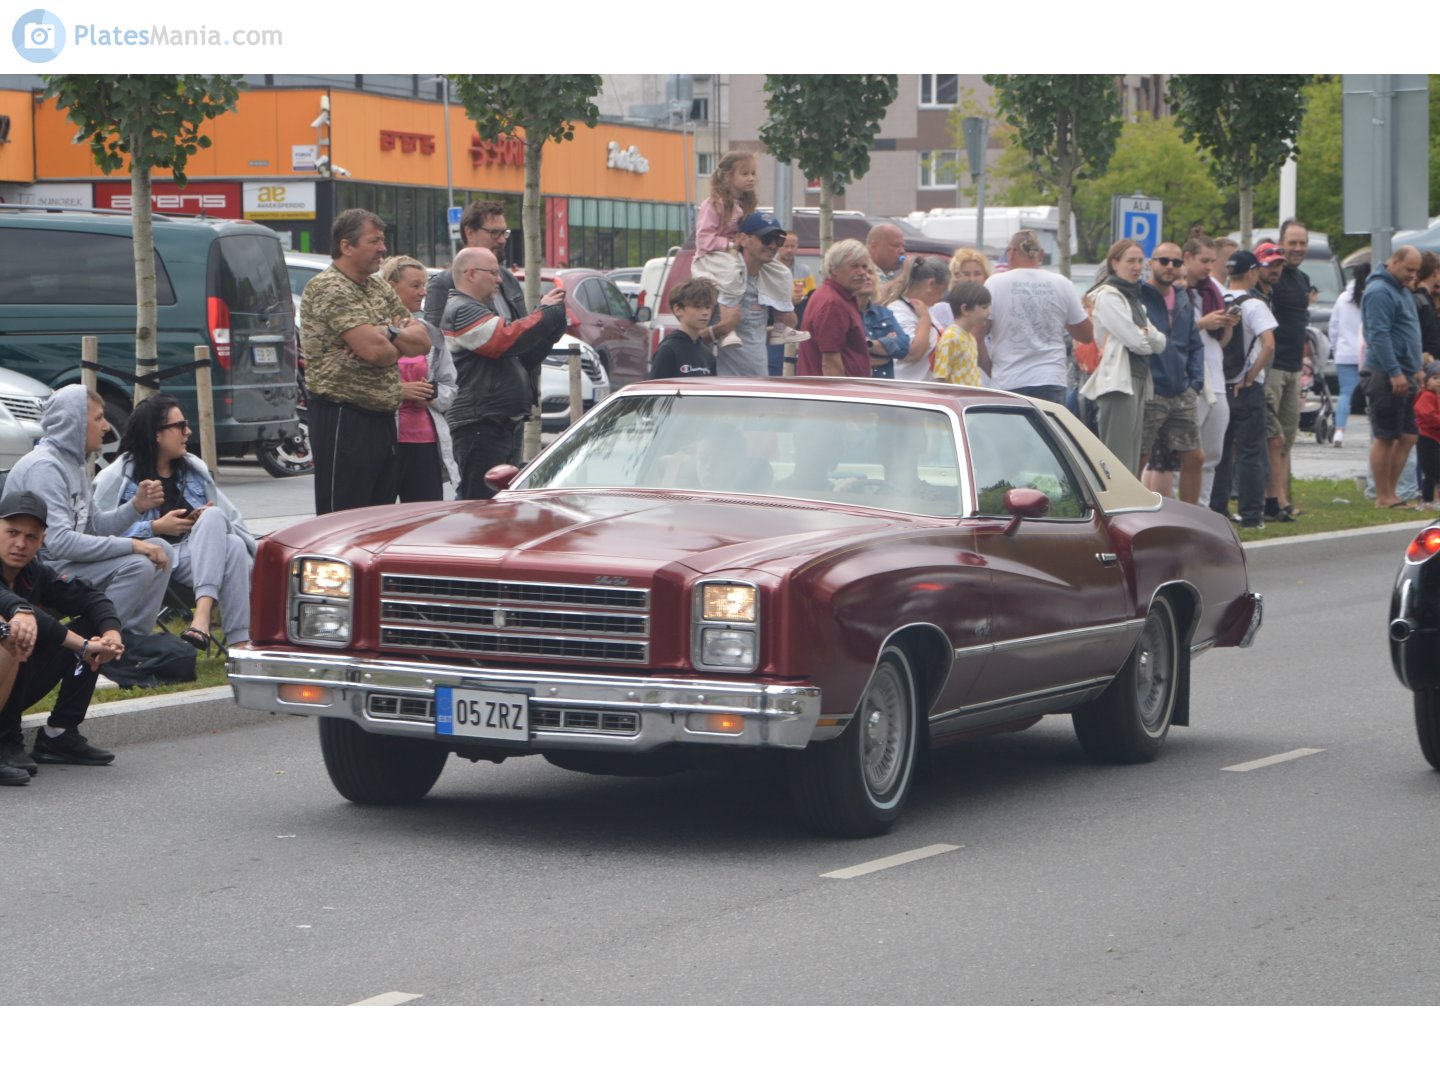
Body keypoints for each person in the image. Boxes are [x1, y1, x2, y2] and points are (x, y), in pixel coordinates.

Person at [5, 385, 172, 637]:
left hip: (69, 562)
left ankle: (133, 642)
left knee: (162, 549)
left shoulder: (74, 463)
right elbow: (60, 543)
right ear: (75, 423)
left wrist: (136, 506)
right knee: (138, 563)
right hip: (42, 571)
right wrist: (133, 545)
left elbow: (94, 527)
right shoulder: (45, 468)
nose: (106, 426)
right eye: (98, 418)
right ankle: (97, 642)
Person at [94, 395, 254, 653]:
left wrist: (200, 520)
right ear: (157, 434)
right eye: (180, 426)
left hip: (198, 555)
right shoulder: (118, 476)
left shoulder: (193, 469)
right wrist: (155, 528)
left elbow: (230, 518)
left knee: (227, 535)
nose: (187, 432)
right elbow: (99, 531)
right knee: (229, 542)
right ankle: (237, 642)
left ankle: (205, 624)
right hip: (154, 557)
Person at [301, 209, 432, 514]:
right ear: (346, 246)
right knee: (343, 521)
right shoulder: (330, 288)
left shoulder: (378, 287)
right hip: (343, 418)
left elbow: (423, 343)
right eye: (374, 241)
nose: (383, 249)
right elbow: (378, 353)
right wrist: (392, 340)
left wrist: (386, 330)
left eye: (382, 241)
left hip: (383, 418)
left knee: (376, 519)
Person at [0, 490, 127, 785]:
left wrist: (109, 636)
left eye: (31, 537)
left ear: (42, 540)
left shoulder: (34, 573)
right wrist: (81, 646)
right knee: (18, 631)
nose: (20, 543)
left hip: (16, 685)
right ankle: (6, 740)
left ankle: (60, 734)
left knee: (87, 626)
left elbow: (92, 597)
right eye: (12, 532)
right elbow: (17, 606)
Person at [442, 246, 569, 499]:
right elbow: (503, 339)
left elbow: (522, 357)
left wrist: (548, 333)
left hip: (498, 424)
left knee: (498, 505)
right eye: (493, 273)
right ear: (470, 273)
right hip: (479, 425)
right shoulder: (462, 309)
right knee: (479, 506)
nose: (499, 279)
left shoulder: (478, 309)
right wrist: (544, 315)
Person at [691, 153, 797, 349]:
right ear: (728, 177)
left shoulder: (745, 205)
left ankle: (781, 324)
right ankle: (728, 329)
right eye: (745, 173)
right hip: (711, 257)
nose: (751, 178)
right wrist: (732, 244)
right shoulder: (713, 204)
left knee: (779, 271)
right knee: (734, 273)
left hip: (733, 254)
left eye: (753, 173)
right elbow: (703, 239)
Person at [1080, 239, 1166, 477]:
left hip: (1135, 377)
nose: (1137, 266)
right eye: (1130, 260)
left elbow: (1161, 342)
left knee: (1131, 456)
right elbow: (1136, 341)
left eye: (1140, 261)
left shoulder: (1134, 299)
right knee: (1117, 459)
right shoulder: (1108, 295)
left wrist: (1147, 337)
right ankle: (1112, 513)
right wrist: (1147, 337)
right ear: (1114, 263)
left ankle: (1124, 512)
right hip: (1117, 382)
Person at [381, 255, 459, 502]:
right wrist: (399, 391)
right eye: (415, 286)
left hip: (426, 443)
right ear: (392, 288)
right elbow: (359, 385)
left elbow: (450, 387)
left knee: (424, 519)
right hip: (384, 441)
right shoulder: (372, 331)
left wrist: (431, 394)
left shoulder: (431, 334)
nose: (423, 292)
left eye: (424, 285)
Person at [984, 229, 1093, 403]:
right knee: (1047, 430)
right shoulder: (1062, 283)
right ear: (1041, 254)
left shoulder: (995, 283)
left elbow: (977, 335)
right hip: (1050, 378)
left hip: (1009, 379)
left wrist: (992, 369)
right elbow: (1086, 335)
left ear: (1011, 253)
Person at [1210, 250, 1278, 529]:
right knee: (1251, 453)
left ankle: (1217, 512)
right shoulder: (1254, 305)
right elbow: (1269, 344)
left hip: (1220, 385)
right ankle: (1252, 517)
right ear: (1251, 272)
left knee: (1220, 454)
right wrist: (1250, 377)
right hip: (1246, 389)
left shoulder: (1218, 300)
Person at [1139, 242, 1206, 502]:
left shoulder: (1182, 297)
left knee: (1195, 456)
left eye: (1176, 263)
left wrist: (1195, 383)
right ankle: (1127, 518)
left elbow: (1194, 343)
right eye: (1164, 261)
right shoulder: (1139, 295)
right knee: (1140, 458)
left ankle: (1190, 521)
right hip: (1150, 390)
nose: (1170, 267)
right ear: (1151, 263)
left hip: (1182, 391)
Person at [1363, 245, 1425, 509]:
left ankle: (1392, 492)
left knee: (1409, 435)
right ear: (1395, 262)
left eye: (1416, 271)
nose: (1413, 276)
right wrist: (1394, 371)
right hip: (1385, 373)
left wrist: (1415, 367)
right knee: (1386, 435)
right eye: (1409, 269)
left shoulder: (1401, 289)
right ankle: (1383, 495)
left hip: (1406, 372)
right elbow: (1379, 334)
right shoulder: (1379, 291)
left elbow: (1408, 329)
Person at [1182, 233, 1239, 507]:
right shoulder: (1176, 291)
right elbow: (1169, 336)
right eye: (1204, 261)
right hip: (1190, 381)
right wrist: (1203, 323)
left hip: (1216, 378)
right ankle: (1181, 510)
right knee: (1186, 454)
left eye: (1212, 261)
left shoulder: (1212, 291)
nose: (1209, 267)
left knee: (1212, 453)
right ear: (1188, 258)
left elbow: (1222, 343)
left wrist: (1226, 324)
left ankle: (1202, 510)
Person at [1261, 222, 1312, 522]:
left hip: (1295, 368)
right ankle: (1274, 500)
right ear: (1281, 243)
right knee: (1273, 437)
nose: (1298, 248)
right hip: (1274, 367)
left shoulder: (1303, 279)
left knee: (1288, 437)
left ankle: (1284, 499)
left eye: (1302, 243)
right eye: (1292, 242)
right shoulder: (1273, 278)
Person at [712, 213, 803, 377]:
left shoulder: (772, 278)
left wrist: (783, 307)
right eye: (767, 238)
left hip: (758, 382)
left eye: (778, 240)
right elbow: (693, 336)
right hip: (722, 387)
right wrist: (719, 330)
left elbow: (788, 324)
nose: (773, 246)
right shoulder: (719, 278)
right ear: (743, 239)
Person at [423, 199, 525, 329]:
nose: (502, 240)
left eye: (504, 233)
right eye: (494, 233)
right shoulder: (443, 285)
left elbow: (524, 331)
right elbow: (435, 339)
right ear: (469, 233)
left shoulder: (508, 279)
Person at [797, 240, 875, 378]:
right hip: (833, 395)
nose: (863, 272)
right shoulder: (832, 303)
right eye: (854, 266)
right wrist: (840, 397)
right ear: (834, 269)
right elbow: (831, 363)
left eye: (865, 266)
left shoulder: (839, 297)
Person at [880, 255, 950, 382]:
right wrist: (924, 319)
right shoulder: (897, 311)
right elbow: (911, 353)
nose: (941, 296)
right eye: (942, 290)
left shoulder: (923, 308)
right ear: (931, 284)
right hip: (908, 392)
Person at [1327, 262, 1369, 448]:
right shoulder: (1372, 296)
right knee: (1373, 394)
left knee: (1345, 394)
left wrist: (1336, 348)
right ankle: (1375, 435)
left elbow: (1333, 327)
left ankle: (1339, 432)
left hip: (1345, 354)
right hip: (1368, 354)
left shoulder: (1342, 298)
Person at [649, 278, 718, 379]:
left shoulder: (708, 355)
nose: (705, 312)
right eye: (698, 306)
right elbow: (654, 391)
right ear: (678, 309)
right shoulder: (668, 350)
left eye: (708, 307)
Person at [932, 280, 990, 387]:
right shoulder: (951, 337)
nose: (988, 312)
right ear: (965, 309)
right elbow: (940, 378)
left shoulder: (970, 338)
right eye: (984, 307)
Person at [931, 248, 992, 332]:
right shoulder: (943, 307)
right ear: (955, 277)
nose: (972, 279)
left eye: (977, 274)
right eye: (966, 274)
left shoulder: (991, 305)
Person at [860, 279, 910, 379]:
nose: (865, 275)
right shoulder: (843, 313)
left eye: (870, 272)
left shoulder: (883, 312)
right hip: (857, 388)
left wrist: (869, 344)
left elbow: (904, 346)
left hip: (885, 388)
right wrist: (886, 347)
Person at [1415, 361, 1440, 509]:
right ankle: (1427, 499)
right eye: (1435, 378)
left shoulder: (1436, 396)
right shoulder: (1426, 396)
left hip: (1435, 437)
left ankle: (1428, 499)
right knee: (1432, 469)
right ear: (1427, 381)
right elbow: (1427, 415)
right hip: (1427, 438)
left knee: (1432, 472)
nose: (1439, 382)